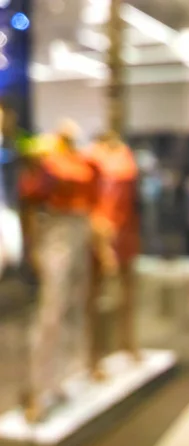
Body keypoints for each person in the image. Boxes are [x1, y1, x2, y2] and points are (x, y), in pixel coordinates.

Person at [19, 120, 96, 422]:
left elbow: (90, 198)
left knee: (73, 307)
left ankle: (60, 378)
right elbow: (29, 202)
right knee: (50, 311)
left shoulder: (81, 159)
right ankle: (38, 389)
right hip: (56, 230)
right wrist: (32, 246)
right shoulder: (46, 159)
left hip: (81, 228)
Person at [86, 132, 140, 380]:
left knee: (126, 293)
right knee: (96, 299)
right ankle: (94, 358)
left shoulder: (124, 156)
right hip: (101, 228)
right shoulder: (92, 158)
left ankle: (126, 342)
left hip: (124, 229)